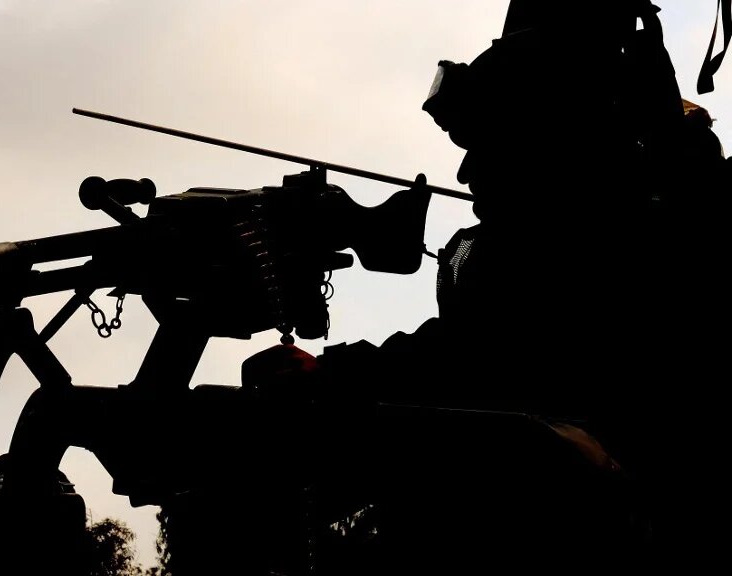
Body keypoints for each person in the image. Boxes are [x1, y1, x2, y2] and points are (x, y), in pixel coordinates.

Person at [244, 0, 729, 568]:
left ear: (553, 140)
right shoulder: (587, 232)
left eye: (490, 143)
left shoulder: (626, 238)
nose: (465, 171)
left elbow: (480, 358)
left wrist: (334, 375)